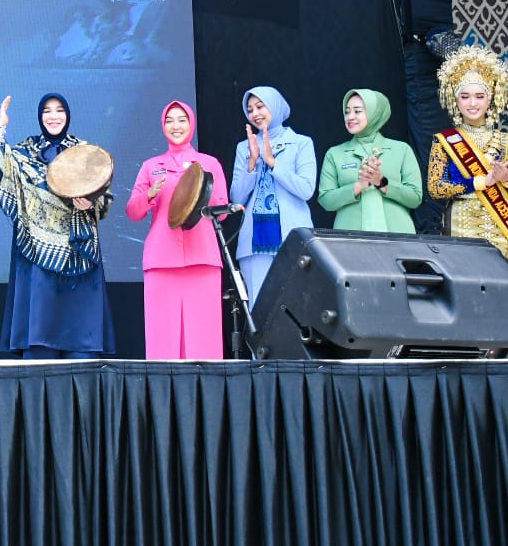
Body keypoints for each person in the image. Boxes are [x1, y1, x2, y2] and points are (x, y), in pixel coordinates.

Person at [0, 93, 116, 359]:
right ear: (40, 116)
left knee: (81, 342)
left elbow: (105, 196)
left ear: (68, 114)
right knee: (40, 340)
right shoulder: (25, 152)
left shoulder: (85, 152)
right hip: (37, 254)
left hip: (78, 254)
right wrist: (1, 125)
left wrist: (90, 202)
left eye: (59, 110)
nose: (53, 116)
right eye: (47, 111)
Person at [427, 45, 508, 275]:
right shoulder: (444, 141)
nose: (472, 103)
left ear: (491, 98)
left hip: (502, 228)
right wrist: (480, 182)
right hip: (461, 225)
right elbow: (436, 189)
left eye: (479, 96)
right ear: (455, 100)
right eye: (465, 96)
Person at [126, 101, 230, 359]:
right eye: (169, 120)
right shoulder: (151, 166)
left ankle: (205, 386)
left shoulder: (208, 163)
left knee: (204, 339)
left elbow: (222, 211)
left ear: (191, 124)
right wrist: (149, 195)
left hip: (202, 259)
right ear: (163, 126)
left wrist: (200, 197)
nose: (176, 126)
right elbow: (133, 212)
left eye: (182, 119)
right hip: (161, 262)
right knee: (162, 339)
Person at [229, 85, 316, 308]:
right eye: (250, 109)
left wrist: (273, 163)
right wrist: (252, 163)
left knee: (296, 307)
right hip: (254, 241)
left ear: (275, 106)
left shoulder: (301, 143)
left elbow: (306, 189)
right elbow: (237, 198)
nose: (255, 113)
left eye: (260, 106)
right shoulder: (244, 147)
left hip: (292, 236)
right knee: (259, 309)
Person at [317, 89, 422, 233]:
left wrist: (381, 182)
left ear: (375, 114)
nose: (350, 117)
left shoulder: (401, 150)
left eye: (358, 111)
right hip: (350, 239)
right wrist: (358, 186)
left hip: (397, 238)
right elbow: (326, 201)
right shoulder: (335, 154)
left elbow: (415, 198)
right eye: (347, 112)